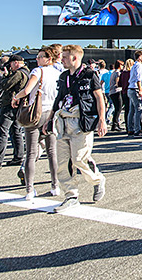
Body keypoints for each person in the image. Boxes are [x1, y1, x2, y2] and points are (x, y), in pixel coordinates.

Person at [46, 44, 107, 212]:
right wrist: (50, 119)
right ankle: (71, 195)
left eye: (64, 57)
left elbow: (99, 97)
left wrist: (102, 120)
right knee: (63, 162)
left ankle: (97, 180)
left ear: (74, 58)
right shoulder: (63, 76)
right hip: (63, 121)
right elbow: (58, 98)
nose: (61, 59)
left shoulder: (89, 74)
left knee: (80, 158)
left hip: (81, 122)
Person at [10, 46, 61, 200]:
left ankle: (30, 189)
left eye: (40, 57)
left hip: (36, 113)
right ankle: (55, 185)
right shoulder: (59, 73)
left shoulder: (38, 71)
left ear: (48, 58)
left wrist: (15, 97)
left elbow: (26, 90)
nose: (37, 59)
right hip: (51, 113)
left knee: (31, 153)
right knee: (52, 152)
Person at [127, 51, 142, 137]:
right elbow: (139, 79)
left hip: (130, 88)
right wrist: (140, 90)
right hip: (135, 89)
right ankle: (137, 130)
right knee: (138, 110)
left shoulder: (133, 66)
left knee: (132, 110)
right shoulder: (138, 66)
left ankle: (130, 128)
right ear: (139, 57)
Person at [107, 60, 124, 131]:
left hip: (112, 92)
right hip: (116, 91)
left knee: (117, 108)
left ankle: (115, 123)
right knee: (118, 108)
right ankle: (115, 124)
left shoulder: (113, 72)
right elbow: (118, 83)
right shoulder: (117, 73)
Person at [119, 59, 133, 134]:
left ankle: (128, 127)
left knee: (127, 110)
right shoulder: (131, 73)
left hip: (124, 92)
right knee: (132, 109)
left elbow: (119, 83)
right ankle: (131, 125)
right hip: (130, 91)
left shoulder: (122, 73)